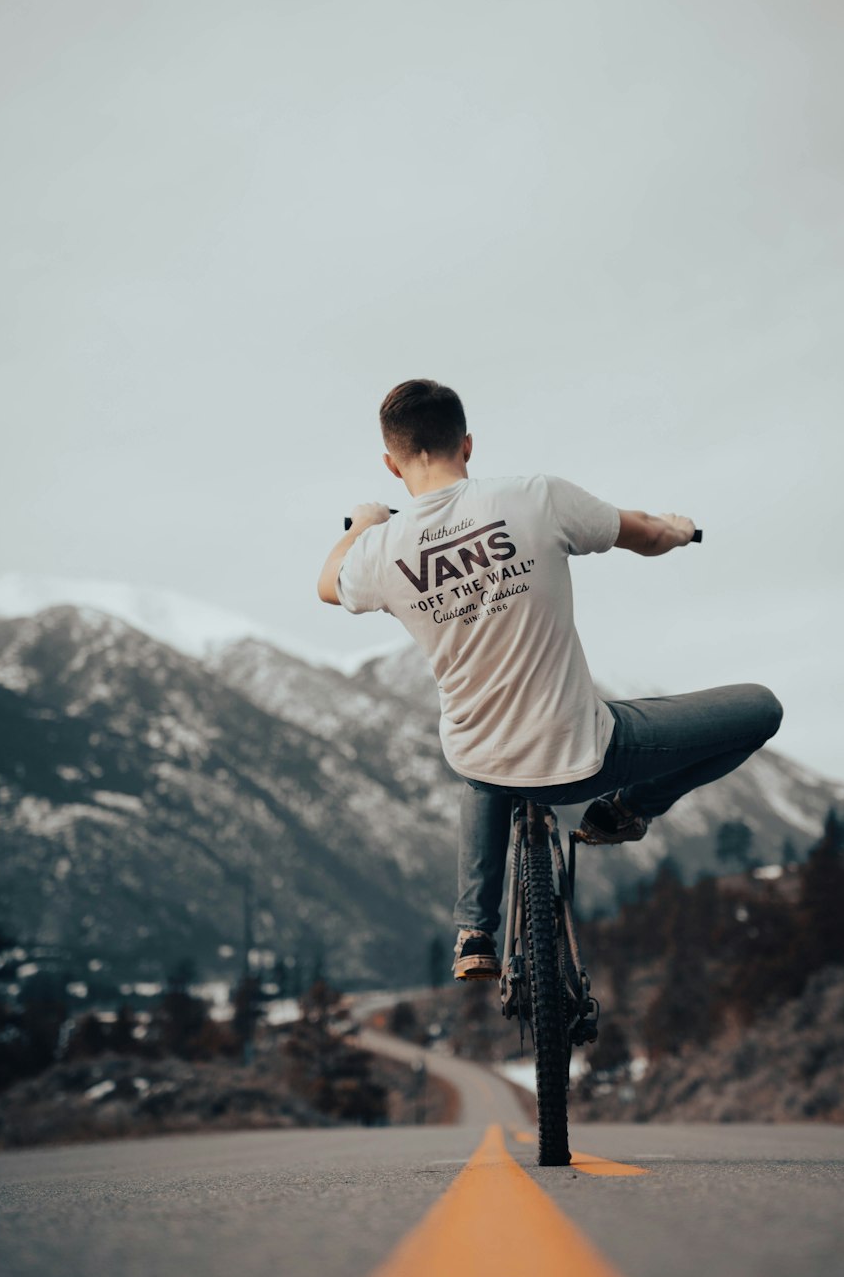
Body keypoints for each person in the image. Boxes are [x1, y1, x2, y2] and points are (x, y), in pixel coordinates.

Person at [318, 379, 782, 981]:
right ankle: (625, 812)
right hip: (590, 757)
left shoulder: (380, 552)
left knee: (479, 766)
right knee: (761, 709)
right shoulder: (536, 497)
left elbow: (328, 584)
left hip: (483, 759)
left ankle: (474, 934)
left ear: (391, 462)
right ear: (468, 444)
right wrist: (675, 527)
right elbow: (642, 534)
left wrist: (361, 524)